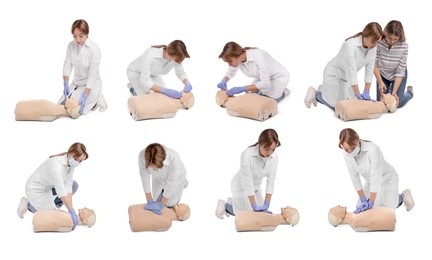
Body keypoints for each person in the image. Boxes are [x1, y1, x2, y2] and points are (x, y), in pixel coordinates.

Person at [305, 22, 383, 111]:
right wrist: (358, 95)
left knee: (351, 106)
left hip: (347, 78)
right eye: (373, 42)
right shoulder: (350, 45)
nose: (375, 45)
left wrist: (366, 92)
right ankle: (315, 94)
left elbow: (370, 68)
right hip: (334, 75)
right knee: (338, 108)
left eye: (378, 42)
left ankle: (324, 90)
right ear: (366, 35)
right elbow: (352, 72)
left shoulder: (373, 47)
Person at [338, 128, 415, 214]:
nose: (350, 152)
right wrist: (363, 199)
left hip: (387, 179)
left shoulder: (372, 149)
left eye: (352, 148)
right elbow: (354, 177)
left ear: (357, 140)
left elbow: (375, 177)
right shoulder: (346, 154)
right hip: (370, 181)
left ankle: (404, 196)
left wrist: (371, 203)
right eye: (346, 149)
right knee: (359, 206)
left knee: (389, 207)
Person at [17, 142, 88, 231]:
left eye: (80, 161)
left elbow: (68, 186)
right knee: (50, 217)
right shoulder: (56, 164)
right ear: (70, 153)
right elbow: (61, 191)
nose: (77, 163)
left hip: (49, 187)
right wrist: (71, 211)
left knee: (74, 185)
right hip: (36, 189)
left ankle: (53, 207)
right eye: (76, 159)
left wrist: (71, 210)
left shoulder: (71, 164)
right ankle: (28, 205)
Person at [215, 129, 280, 219]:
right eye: (267, 149)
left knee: (260, 214)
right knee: (245, 215)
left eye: (273, 149)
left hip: (256, 188)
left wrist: (266, 204)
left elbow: (271, 181)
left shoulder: (274, 156)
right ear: (260, 143)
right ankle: (226, 206)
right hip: (241, 187)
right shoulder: (247, 154)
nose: (270, 153)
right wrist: (254, 206)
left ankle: (233, 202)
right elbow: (247, 182)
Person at [217, 42, 290, 102]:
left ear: (236, 55)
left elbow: (265, 83)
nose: (229, 64)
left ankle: (283, 92)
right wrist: (224, 81)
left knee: (269, 101)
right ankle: (266, 91)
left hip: (278, 77)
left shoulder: (258, 56)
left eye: (230, 61)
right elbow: (230, 72)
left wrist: (242, 88)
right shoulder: (238, 60)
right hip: (262, 78)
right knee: (249, 96)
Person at [62, 19, 107, 115]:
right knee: (63, 105)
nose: (77, 40)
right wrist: (65, 82)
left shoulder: (94, 49)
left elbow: (92, 75)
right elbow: (67, 64)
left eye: (81, 36)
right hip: (77, 83)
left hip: (91, 85)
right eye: (74, 36)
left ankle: (97, 99)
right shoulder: (71, 46)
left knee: (73, 111)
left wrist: (85, 95)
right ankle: (90, 101)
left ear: (87, 33)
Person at [126, 40, 192, 98]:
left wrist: (187, 82)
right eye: (176, 60)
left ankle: (140, 89)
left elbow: (180, 72)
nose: (178, 63)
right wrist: (165, 91)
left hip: (153, 74)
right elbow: (144, 80)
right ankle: (132, 88)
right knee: (145, 98)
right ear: (170, 54)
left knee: (162, 96)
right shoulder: (150, 54)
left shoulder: (175, 58)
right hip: (136, 72)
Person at [138, 143, 188, 214]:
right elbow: (144, 178)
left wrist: (162, 205)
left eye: (156, 167)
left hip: (176, 178)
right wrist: (149, 201)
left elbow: (171, 183)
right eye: (151, 167)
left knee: (170, 204)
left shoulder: (174, 157)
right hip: (158, 178)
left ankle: (183, 183)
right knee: (156, 201)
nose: (154, 169)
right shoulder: (142, 155)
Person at [374, 20, 413, 108]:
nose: (392, 41)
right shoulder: (379, 42)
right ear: (385, 33)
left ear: (400, 36)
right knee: (381, 102)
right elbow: (374, 64)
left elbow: (400, 71)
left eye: (395, 39)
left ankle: (409, 93)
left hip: (398, 75)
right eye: (389, 38)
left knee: (397, 104)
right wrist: (380, 82)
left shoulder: (404, 46)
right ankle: (389, 89)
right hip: (383, 74)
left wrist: (394, 92)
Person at [328, 205, 395, 232]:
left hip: (391, 211)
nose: (337, 206)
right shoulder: (356, 223)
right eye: (334, 210)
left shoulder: (356, 215)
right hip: (392, 217)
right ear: (339, 220)